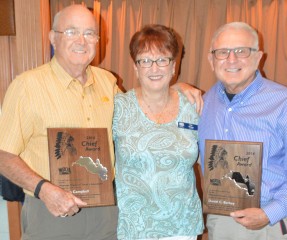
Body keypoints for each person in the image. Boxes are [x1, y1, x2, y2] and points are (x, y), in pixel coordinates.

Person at [0, 4, 202, 240]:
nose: (81, 40)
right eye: (71, 32)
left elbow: (147, 99)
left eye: (89, 33)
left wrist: (177, 87)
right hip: (51, 211)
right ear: (53, 38)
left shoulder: (107, 82)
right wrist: (43, 189)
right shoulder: (27, 86)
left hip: (107, 212)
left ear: (97, 41)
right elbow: (4, 154)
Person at [198, 22, 287, 240]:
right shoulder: (201, 104)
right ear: (211, 60)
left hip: (273, 224)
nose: (231, 59)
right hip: (221, 222)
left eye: (242, 51)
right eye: (222, 52)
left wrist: (269, 213)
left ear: (258, 57)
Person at [113, 24, 204, 240]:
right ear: (135, 67)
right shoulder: (117, 108)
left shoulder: (193, 106)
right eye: (145, 60)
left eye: (162, 60)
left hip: (184, 228)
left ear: (174, 66)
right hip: (135, 227)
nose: (154, 68)